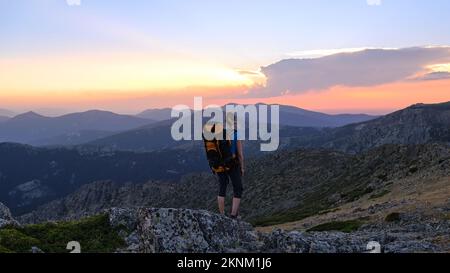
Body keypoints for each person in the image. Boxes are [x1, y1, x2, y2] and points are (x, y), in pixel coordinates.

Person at [215, 115, 244, 219]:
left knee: (222, 187)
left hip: (219, 164)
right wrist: (242, 167)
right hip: (233, 164)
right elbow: (240, 154)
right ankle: (233, 216)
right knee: (238, 188)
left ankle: (222, 215)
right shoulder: (236, 134)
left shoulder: (218, 134)